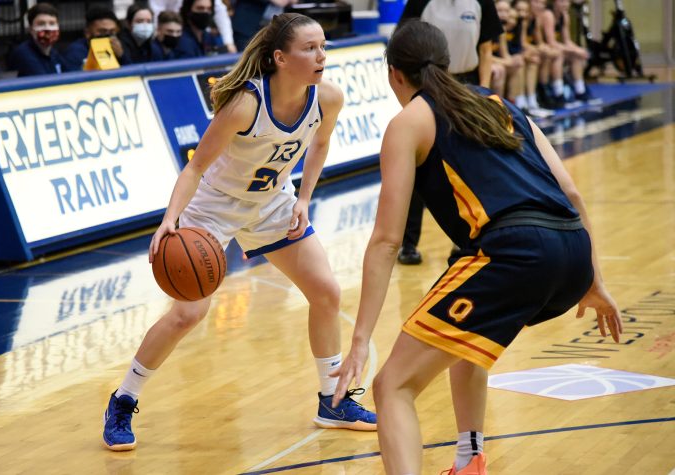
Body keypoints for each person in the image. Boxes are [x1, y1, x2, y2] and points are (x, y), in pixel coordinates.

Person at [331, 20, 622, 475]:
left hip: (517, 253)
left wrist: (360, 340)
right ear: (448, 63)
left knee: (392, 386)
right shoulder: (498, 102)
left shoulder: (408, 123)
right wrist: (595, 282)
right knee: (464, 337)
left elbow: (388, 241)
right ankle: (470, 461)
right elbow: (573, 194)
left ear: (394, 75)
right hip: (570, 251)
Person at [101, 12, 377, 451]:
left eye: (323, 46)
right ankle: (123, 398)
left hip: (272, 203)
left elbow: (320, 145)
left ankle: (333, 400)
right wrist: (171, 218)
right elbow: (195, 166)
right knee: (188, 314)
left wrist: (304, 199)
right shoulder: (245, 104)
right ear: (280, 58)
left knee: (326, 292)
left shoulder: (328, 98)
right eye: (310, 48)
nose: (322, 55)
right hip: (213, 209)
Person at [397, 0, 503, 266]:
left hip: (467, 84)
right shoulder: (420, 2)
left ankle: (465, 240)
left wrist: (484, 93)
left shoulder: (481, 2)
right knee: (418, 161)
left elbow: (486, 49)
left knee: (470, 164)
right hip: (428, 82)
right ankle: (408, 243)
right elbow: (403, 42)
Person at [7, 3, 71, 77]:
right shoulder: (23, 54)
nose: (48, 28)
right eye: (41, 24)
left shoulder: (54, 54)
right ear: (30, 29)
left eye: (52, 23)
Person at [150, 0, 238, 53]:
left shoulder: (207, 37)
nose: (205, 12)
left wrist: (229, 42)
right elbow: (157, 12)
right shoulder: (184, 42)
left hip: (198, 33)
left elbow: (220, 11)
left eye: (208, 9)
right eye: (200, 8)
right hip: (175, 28)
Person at [64, 6, 131, 70]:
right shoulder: (76, 51)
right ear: (87, 32)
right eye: (102, 31)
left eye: (112, 31)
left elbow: (133, 74)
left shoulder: (119, 46)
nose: (108, 35)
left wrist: (122, 56)